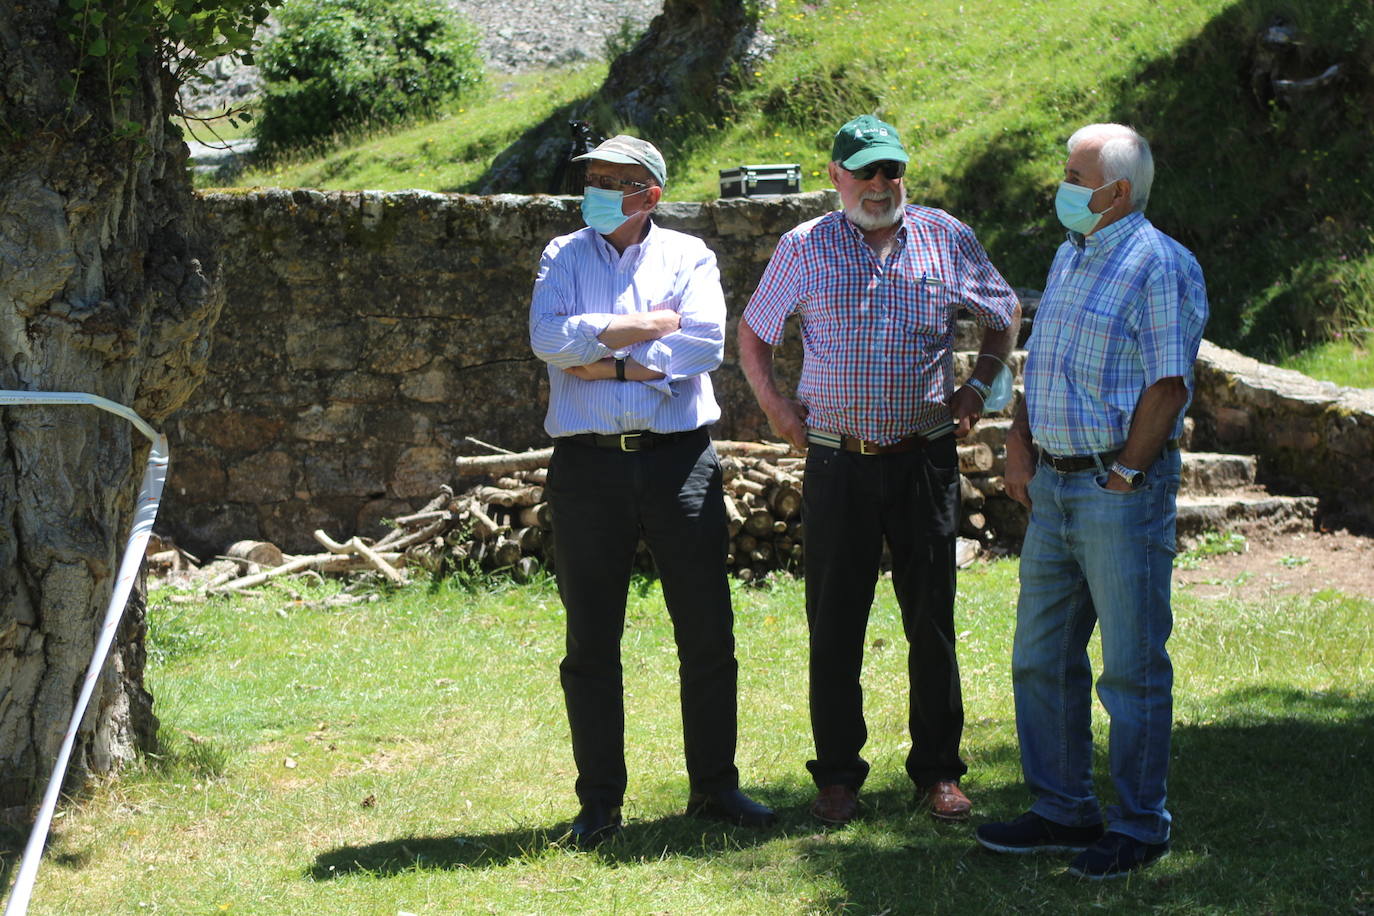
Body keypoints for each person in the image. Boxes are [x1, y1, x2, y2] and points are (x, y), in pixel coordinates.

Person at [738, 115, 1021, 826]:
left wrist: (979, 386)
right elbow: (753, 333)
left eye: (890, 169)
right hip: (838, 460)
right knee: (835, 621)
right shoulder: (804, 246)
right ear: (834, 173)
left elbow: (1004, 310)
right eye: (864, 170)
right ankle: (837, 776)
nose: (879, 183)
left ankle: (939, 773)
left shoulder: (944, 237)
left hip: (924, 455)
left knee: (932, 619)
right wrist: (776, 407)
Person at [974, 123, 1208, 879]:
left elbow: (1167, 384)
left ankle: (1139, 824)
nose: (1063, 185)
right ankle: (1061, 809)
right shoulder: (1071, 254)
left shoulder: (1159, 265)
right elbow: (1041, 360)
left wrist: (1127, 476)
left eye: (1075, 174)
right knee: (1041, 658)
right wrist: (1020, 443)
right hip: (1056, 484)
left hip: (1116, 488)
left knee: (1131, 667)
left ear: (1116, 191)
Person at [529, 134, 776, 848]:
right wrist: (646, 335)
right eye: (593, 178)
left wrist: (604, 359)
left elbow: (705, 343)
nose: (598, 189)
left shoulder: (689, 256)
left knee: (706, 629)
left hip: (678, 461)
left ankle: (715, 788)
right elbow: (549, 339)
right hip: (587, 467)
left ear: (651, 194)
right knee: (591, 641)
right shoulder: (560, 255)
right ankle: (599, 801)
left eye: (615, 179)